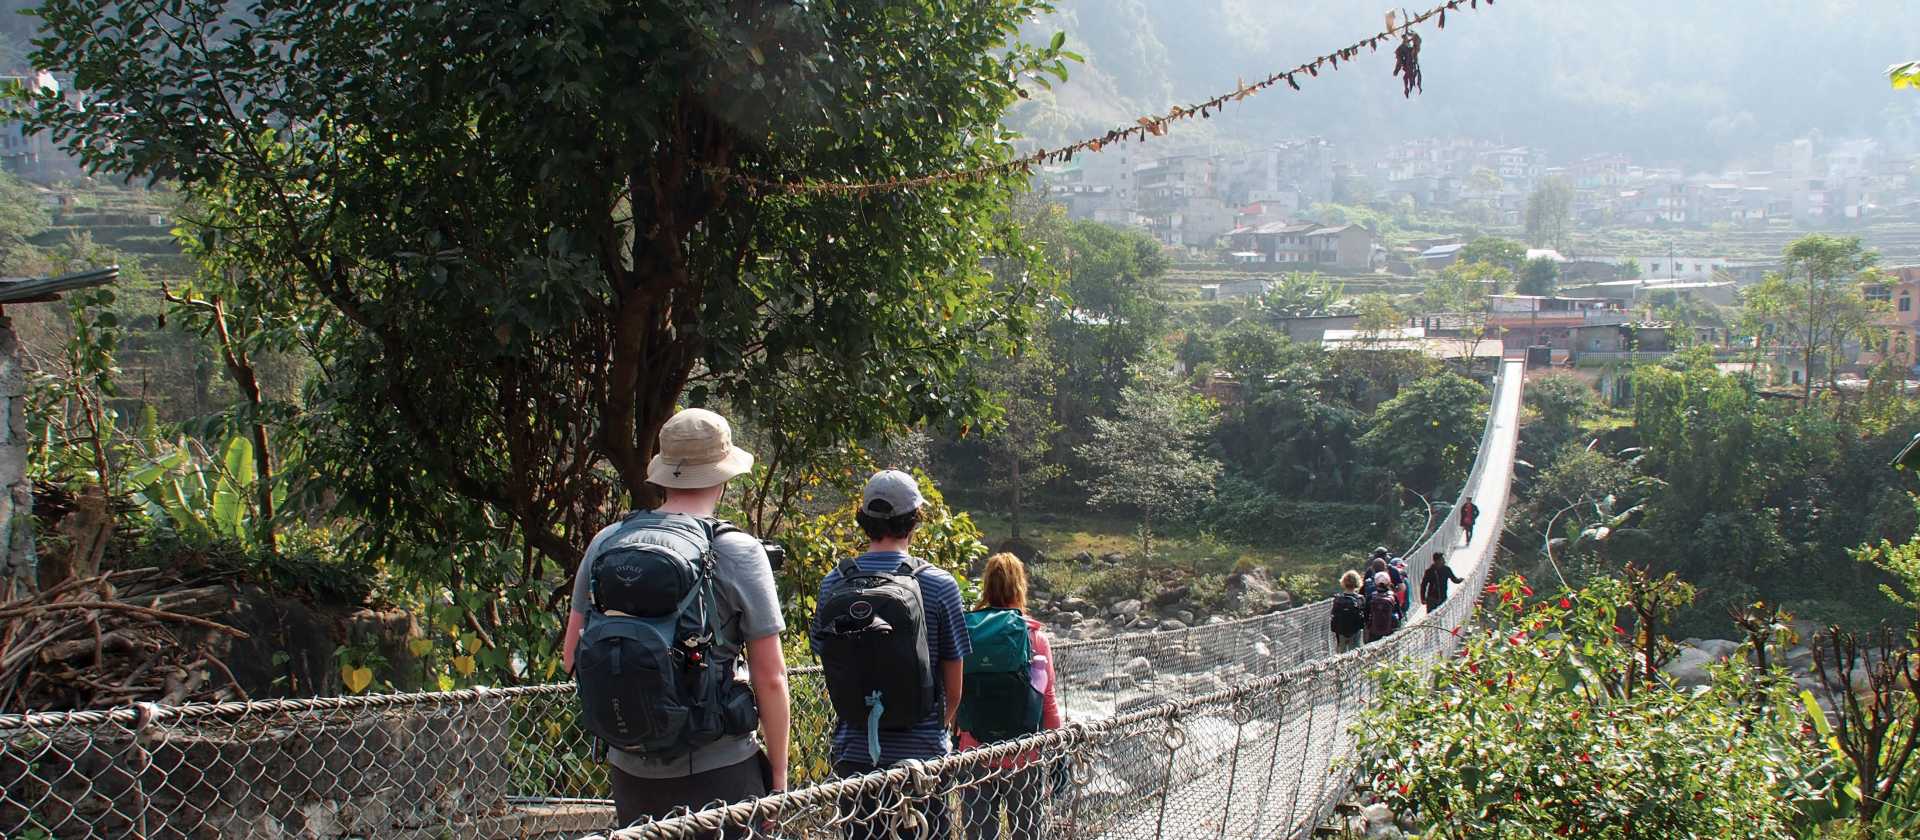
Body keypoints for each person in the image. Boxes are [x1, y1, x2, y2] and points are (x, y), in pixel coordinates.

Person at [562, 408, 791, 831]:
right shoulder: (737, 550)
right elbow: (771, 676)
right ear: (722, 476)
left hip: (632, 772)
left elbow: (572, 656)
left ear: (664, 472)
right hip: (720, 769)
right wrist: (778, 779)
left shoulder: (607, 541)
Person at [812, 470, 971, 840]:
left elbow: (829, 661)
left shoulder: (834, 582)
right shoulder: (938, 584)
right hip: (922, 762)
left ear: (864, 520)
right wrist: (933, 725)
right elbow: (955, 687)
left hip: (854, 758)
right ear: (915, 520)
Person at [957, 553, 1062, 840]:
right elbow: (1047, 697)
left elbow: (953, 689)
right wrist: (1057, 747)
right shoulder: (1034, 636)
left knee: (979, 833)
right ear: (1020, 586)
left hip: (975, 751)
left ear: (986, 586)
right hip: (1024, 752)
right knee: (1026, 832)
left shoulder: (968, 632)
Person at [1329, 570, 1367, 653]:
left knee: (1341, 652)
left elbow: (1333, 615)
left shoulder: (1338, 599)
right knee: (1355, 650)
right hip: (1356, 630)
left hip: (1341, 630)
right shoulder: (1360, 599)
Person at [1365, 571, 1400, 643]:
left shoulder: (1371, 597)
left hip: (1374, 629)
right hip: (1390, 629)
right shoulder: (1393, 596)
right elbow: (1399, 614)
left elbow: (1366, 614)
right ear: (1388, 582)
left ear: (1375, 582)